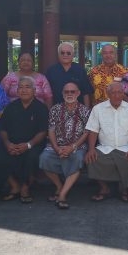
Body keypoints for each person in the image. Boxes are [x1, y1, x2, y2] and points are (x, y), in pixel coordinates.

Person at [0, 76, 49, 203]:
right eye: (21, 87)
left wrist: (28, 145)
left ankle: (25, 187)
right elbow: (3, 129)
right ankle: (14, 186)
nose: (24, 90)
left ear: (34, 91)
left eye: (27, 87)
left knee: (31, 157)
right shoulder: (11, 108)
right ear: (17, 91)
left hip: (33, 144)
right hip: (12, 144)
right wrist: (7, 144)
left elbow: (43, 132)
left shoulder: (41, 108)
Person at [85, 82, 128, 202]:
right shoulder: (98, 109)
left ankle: (126, 188)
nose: (116, 95)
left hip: (126, 147)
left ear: (123, 94)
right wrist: (90, 149)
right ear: (108, 94)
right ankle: (104, 188)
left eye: (119, 92)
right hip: (104, 147)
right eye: (113, 93)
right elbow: (93, 131)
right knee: (92, 159)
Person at [39, 81, 90, 210]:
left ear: (78, 93)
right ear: (62, 94)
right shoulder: (55, 109)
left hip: (77, 145)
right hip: (57, 144)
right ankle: (59, 186)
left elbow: (86, 132)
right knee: (44, 158)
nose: (69, 94)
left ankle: (62, 195)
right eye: (66, 92)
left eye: (72, 91)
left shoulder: (85, 110)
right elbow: (51, 130)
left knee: (78, 158)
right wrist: (56, 148)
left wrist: (72, 147)